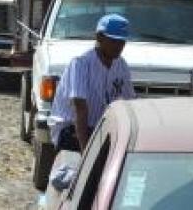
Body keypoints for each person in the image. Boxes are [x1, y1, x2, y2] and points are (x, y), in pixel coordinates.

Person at [50, 13, 136, 152]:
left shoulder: (121, 65)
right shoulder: (81, 63)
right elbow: (80, 108)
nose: (119, 46)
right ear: (99, 37)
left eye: (122, 42)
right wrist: (86, 152)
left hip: (100, 129)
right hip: (72, 129)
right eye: (114, 41)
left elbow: (128, 103)